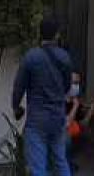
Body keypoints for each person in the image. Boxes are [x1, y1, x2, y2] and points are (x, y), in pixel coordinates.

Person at [12, 18, 74, 176]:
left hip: (37, 119)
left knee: (38, 166)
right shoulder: (64, 57)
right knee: (60, 161)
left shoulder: (31, 57)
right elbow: (67, 87)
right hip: (57, 117)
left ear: (40, 34)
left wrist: (16, 106)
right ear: (57, 35)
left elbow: (19, 86)